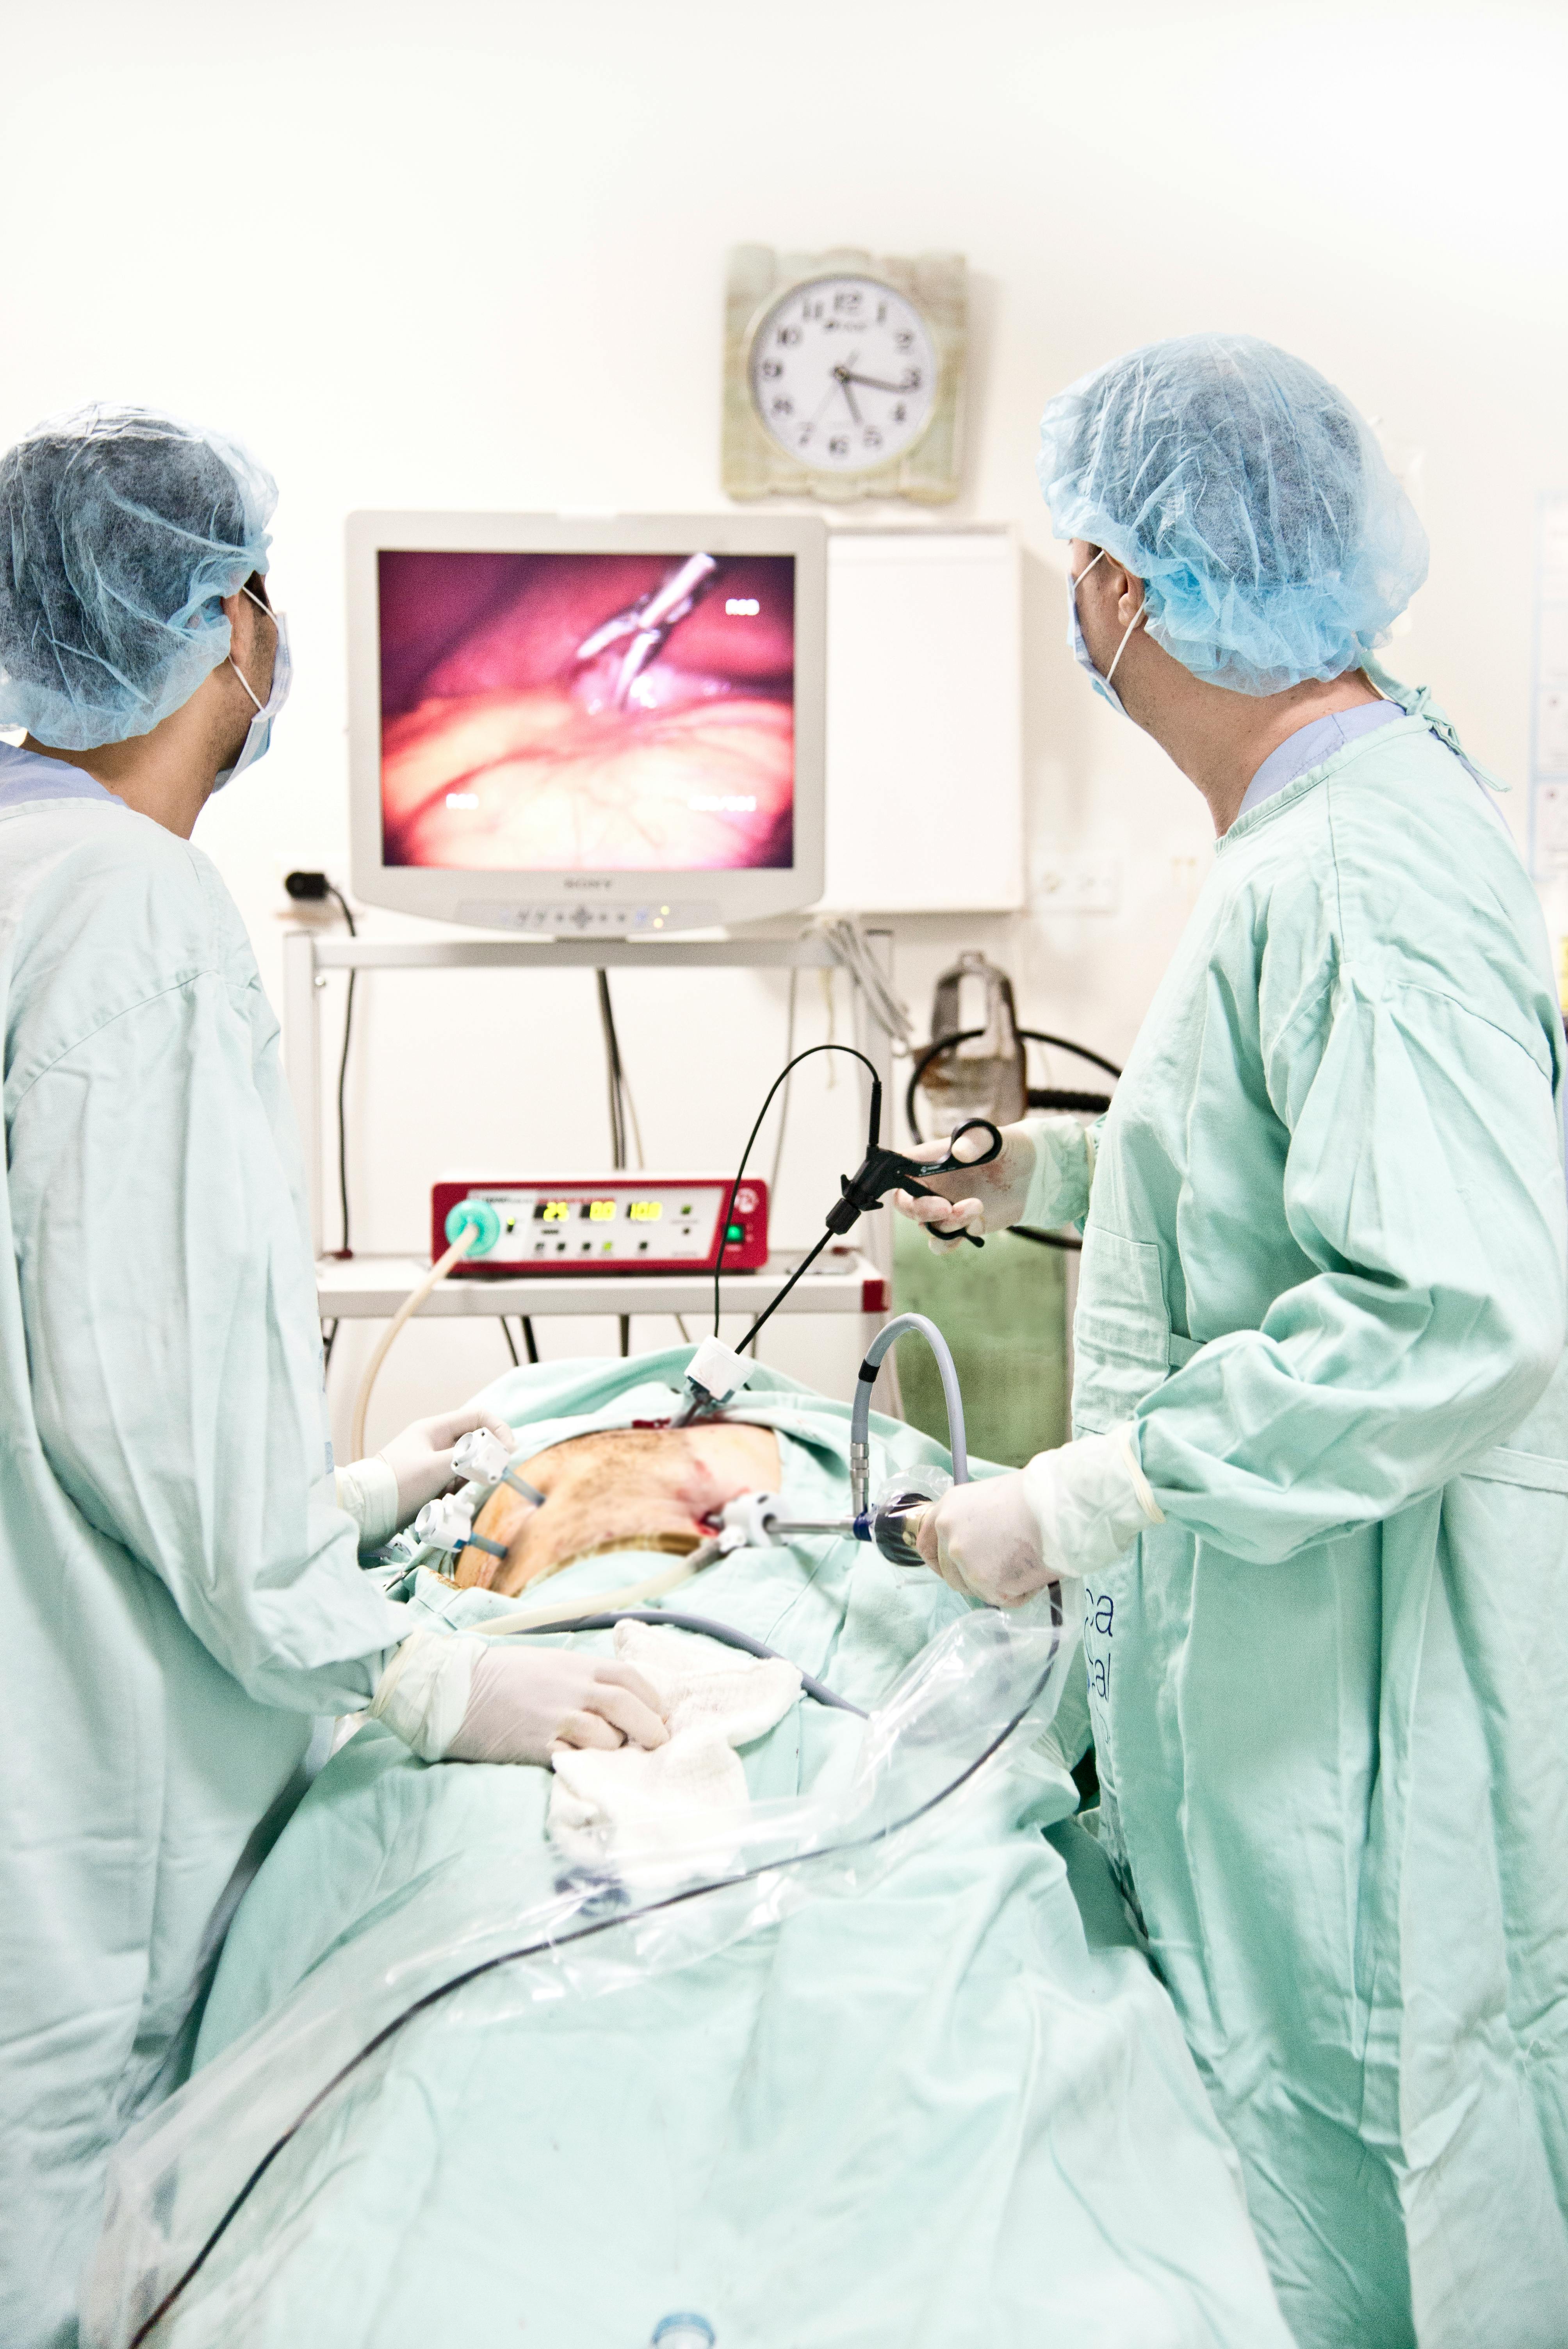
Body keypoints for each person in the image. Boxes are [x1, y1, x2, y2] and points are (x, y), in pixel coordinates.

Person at [896, 335, 1568, 2349]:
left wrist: (1086, 1493)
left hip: (1367, 1718)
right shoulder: (1320, 837)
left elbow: (1449, 1305)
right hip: (1298, 1688)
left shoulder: (1356, 870)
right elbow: (1285, 1194)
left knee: (1388, 2197)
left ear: (1128, 586)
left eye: (1076, 566)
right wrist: (1051, 1185)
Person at [0, 406, 666, 2349]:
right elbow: (148, 1412)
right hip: (77, 1790)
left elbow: (73, 1361)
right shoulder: (130, 913)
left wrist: (361, 1494)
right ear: (224, 632)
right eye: (259, 597)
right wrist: (431, 1668)